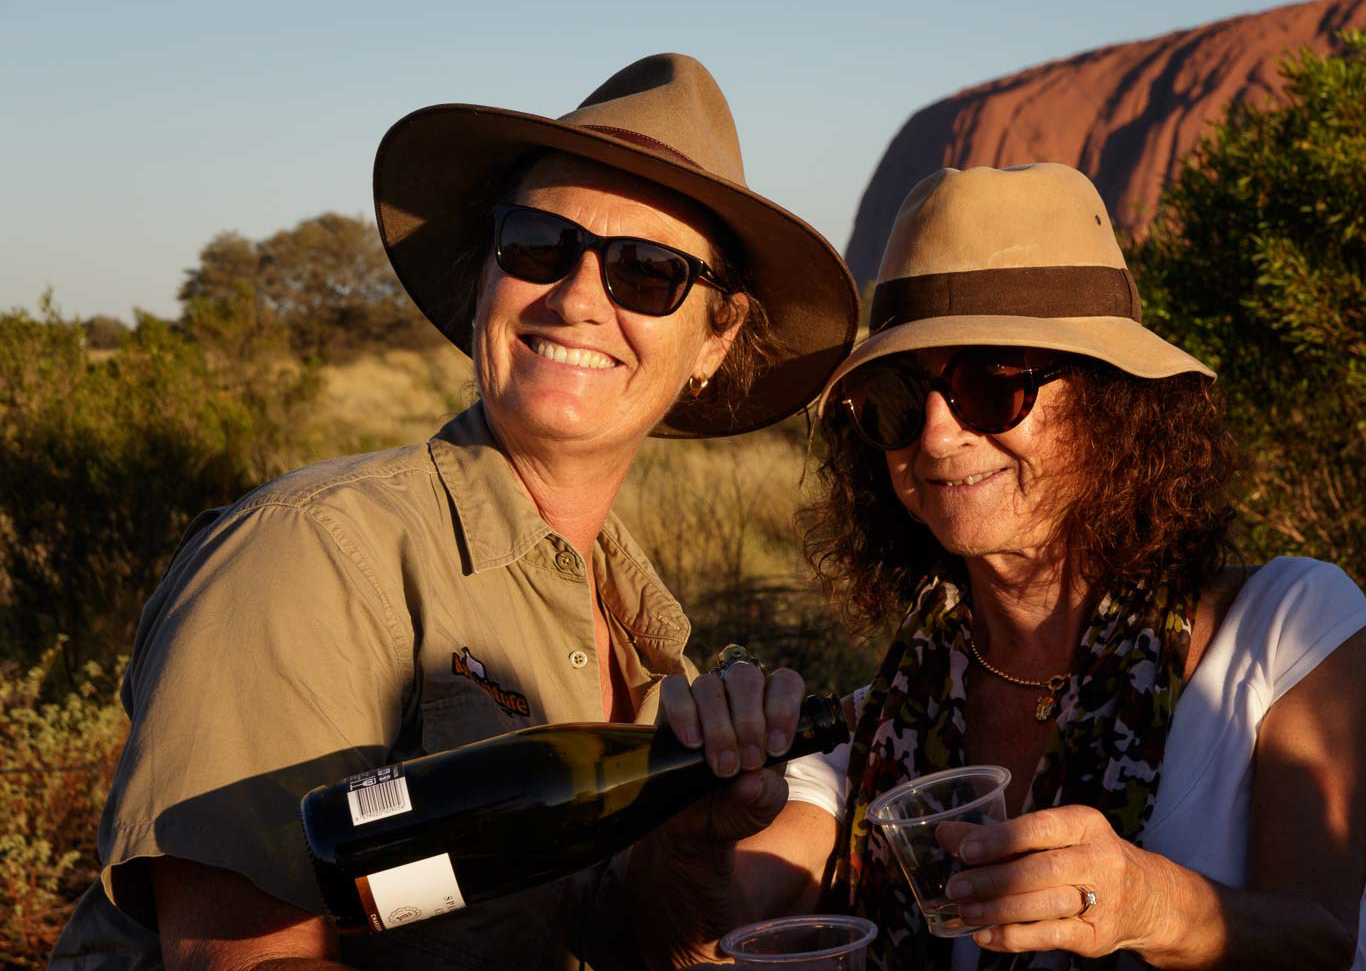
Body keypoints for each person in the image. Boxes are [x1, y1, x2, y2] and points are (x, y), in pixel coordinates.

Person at [49, 53, 857, 971]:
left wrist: (692, 847)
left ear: (716, 339)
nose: (580, 297)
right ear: (486, 277)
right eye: (538, 246)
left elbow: (637, 943)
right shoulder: (311, 556)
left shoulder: (646, 637)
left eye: (647, 271)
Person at [671, 164, 1366, 969]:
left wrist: (1150, 903)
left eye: (992, 385)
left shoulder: (1287, 631)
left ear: (1112, 403)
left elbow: (1322, 939)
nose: (938, 437)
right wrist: (701, 819)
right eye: (898, 402)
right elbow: (709, 928)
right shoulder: (885, 722)